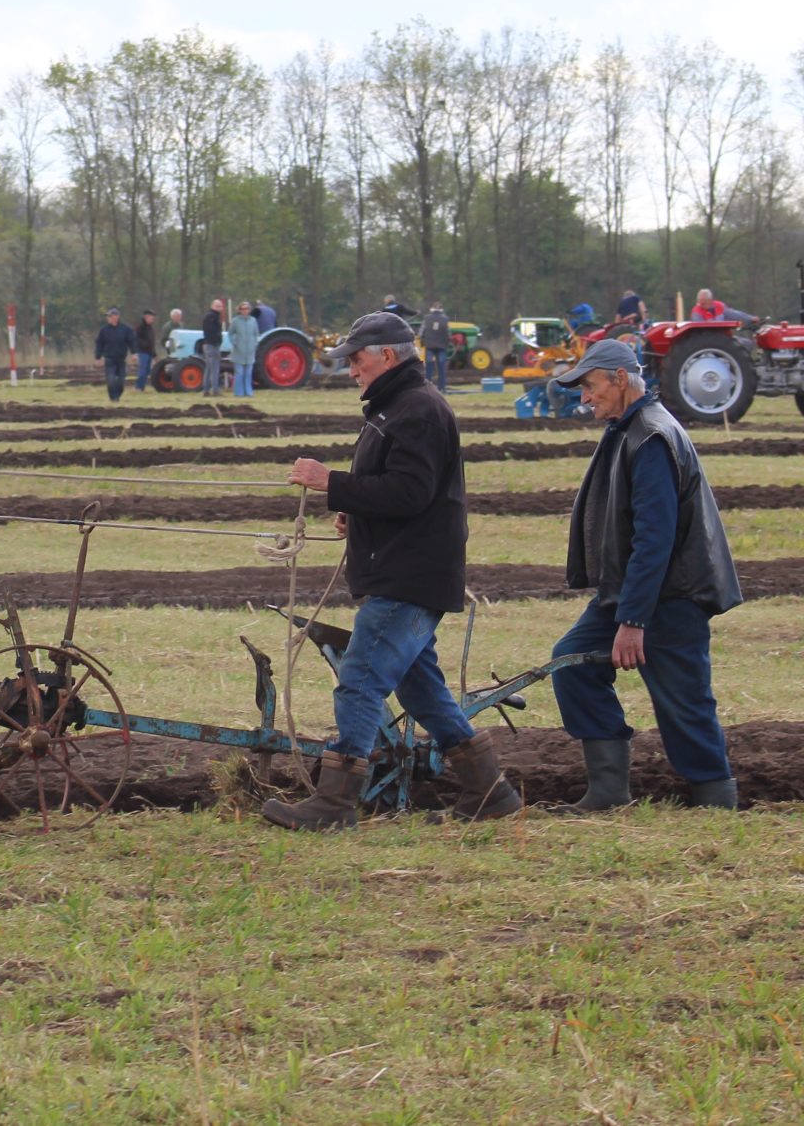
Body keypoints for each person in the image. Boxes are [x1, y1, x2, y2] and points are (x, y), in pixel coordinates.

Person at [266, 311, 519, 830]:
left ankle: (334, 805)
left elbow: (409, 493)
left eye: (356, 359)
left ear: (386, 355)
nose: (351, 370)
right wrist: (356, 510)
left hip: (408, 578)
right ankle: (489, 793)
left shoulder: (417, 410)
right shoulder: (399, 406)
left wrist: (332, 482)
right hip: (410, 570)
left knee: (359, 681)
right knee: (421, 690)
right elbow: (401, 491)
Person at [542, 338, 742, 812]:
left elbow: (656, 539)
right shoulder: (628, 428)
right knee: (572, 661)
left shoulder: (652, 437)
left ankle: (716, 799)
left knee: (683, 699)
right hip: (628, 591)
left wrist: (633, 621)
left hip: (672, 595)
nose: (584, 397)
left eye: (590, 386)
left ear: (619, 378)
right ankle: (608, 791)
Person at [93, 307, 135, 403]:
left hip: (121, 359)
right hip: (109, 359)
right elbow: (99, 343)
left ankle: (117, 395)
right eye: (108, 316)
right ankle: (113, 398)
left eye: (110, 316)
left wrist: (134, 353)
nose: (108, 318)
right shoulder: (104, 330)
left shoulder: (125, 329)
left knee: (121, 381)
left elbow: (131, 341)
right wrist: (97, 357)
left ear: (117, 317)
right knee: (111, 379)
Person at [230, 299, 261, 398]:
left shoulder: (253, 320)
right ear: (239, 310)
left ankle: (248, 392)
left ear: (249, 310)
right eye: (242, 309)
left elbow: (256, 334)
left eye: (247, 309)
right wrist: (234, 342)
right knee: (239, 373)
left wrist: (255, 343)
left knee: (248, 373)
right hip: (239, 351)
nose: (245, 311)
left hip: (250, 351)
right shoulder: (235, 321)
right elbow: (230, 334)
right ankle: (238, 392)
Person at [420, 303, 452, 392]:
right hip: (442, 346)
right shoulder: (445, 319)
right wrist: (448, 343)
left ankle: (427, 387)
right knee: (441, 367)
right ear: (441, 309)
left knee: (429, 367)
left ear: (432, 309)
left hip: (429, 345)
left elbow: (421, 331)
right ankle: (442, 387)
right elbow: (448, 333)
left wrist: (422, 341)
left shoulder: (426, 318)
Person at [200, 299, 226, 397]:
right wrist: (217, 341)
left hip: (208, 344)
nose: (219, 308)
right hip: (212, 345)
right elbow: (212, 332)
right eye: (217, 306)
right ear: (212, 306)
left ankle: (206, 389)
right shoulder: (212, 317)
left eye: (220, 306)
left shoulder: (210, 316)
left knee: (209, 368)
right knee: (215, 368)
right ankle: (215, 390)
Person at [132, 311, 157, 394]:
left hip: (149, 352)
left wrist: (154, 354)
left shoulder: (150, 328)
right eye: (151, 317)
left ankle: (142, 387)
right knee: (142, 370)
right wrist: (145, 344)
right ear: (146, 317)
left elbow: (152, 341)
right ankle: (138, 387)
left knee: (147, 370)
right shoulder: (140, 327)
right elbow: (136, 339)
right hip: (142, 352)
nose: (153, 319)